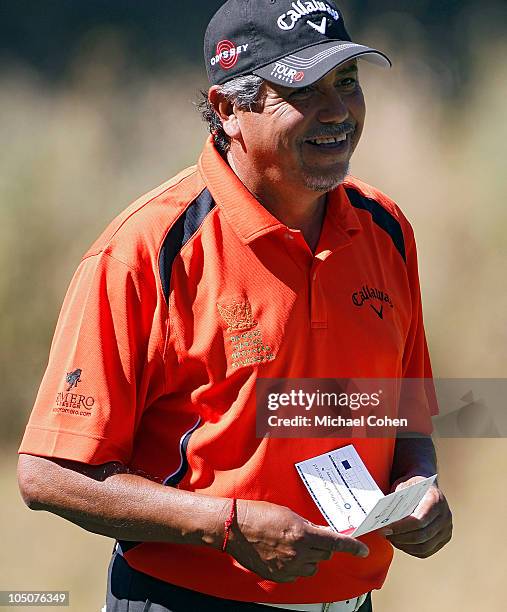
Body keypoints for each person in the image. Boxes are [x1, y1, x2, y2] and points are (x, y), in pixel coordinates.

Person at [17, 1, 452, 611]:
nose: (337, 111)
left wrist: (418, 484)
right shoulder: (145, 250)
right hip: (187, 599)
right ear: (229, 110)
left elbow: (405, 414)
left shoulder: (386, 228)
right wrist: (226, 525)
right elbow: (49, 474)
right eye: (302, 88)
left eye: (347, 82)